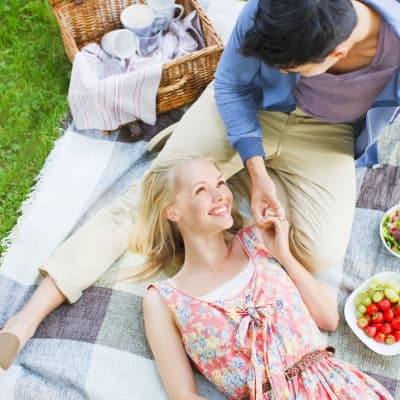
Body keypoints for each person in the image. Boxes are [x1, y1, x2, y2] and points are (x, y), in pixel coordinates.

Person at [1, 0, 400, 373]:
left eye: (291, 68)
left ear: (336, 55)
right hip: (247, 107)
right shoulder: (276, 9)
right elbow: (231, 84)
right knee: (152, 195)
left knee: (319, 252)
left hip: (325, 135)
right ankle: (26, 318)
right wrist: (257, 168)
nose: (282, 72)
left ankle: (204, 163)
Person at [139, 155, 393, 400]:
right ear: (172, 211)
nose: (220, 196)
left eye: (220, 183)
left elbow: (328, 318)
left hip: (338, 388)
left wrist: (284, 255)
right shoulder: (162, 300)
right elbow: (183, 396)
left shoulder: (258, 239)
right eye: (201, 190)